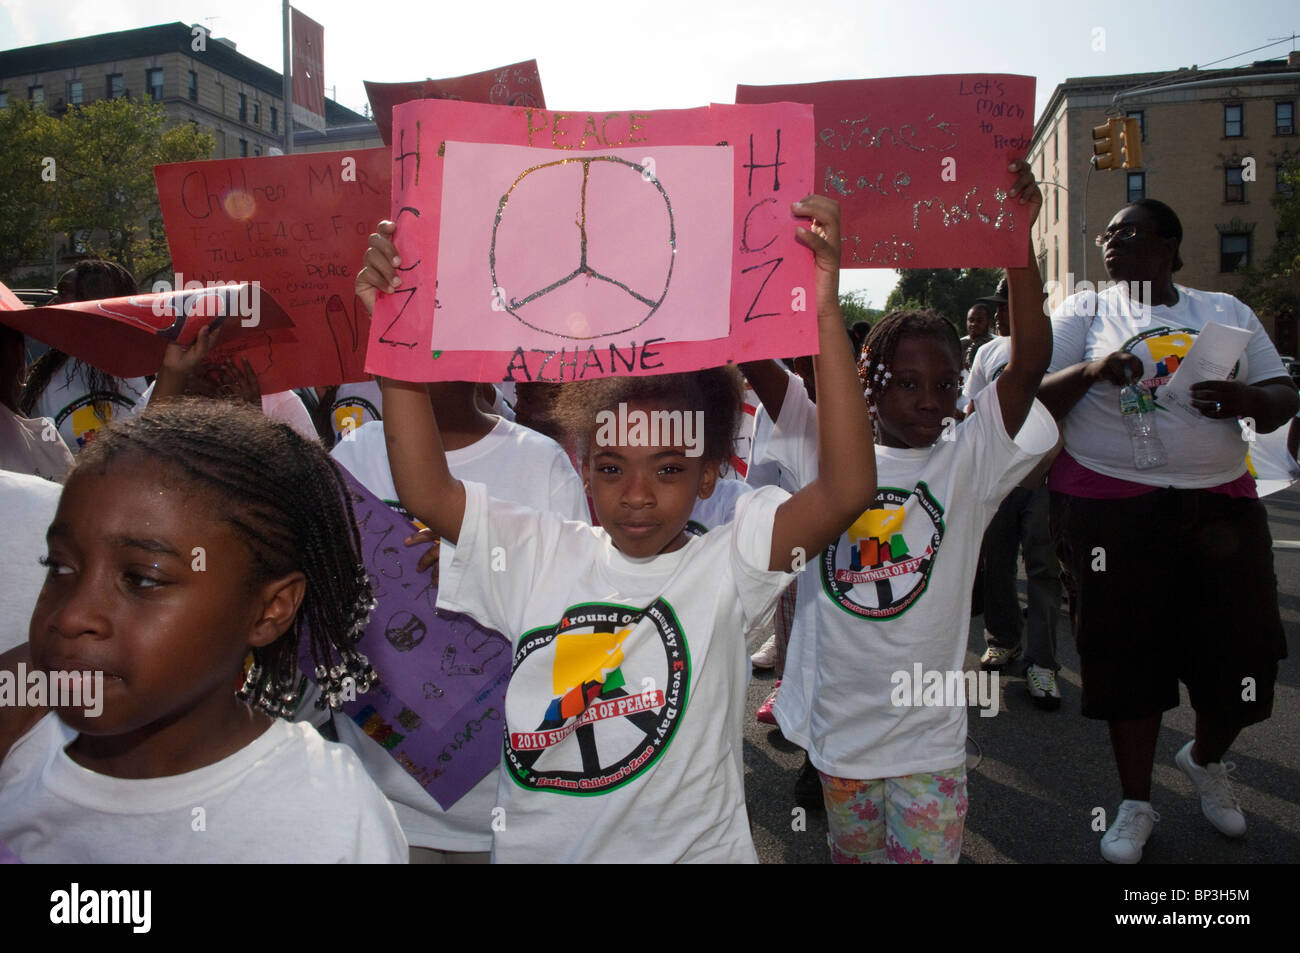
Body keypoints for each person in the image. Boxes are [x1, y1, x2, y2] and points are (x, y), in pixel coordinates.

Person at [356, 195, 876, 862]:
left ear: (710, 474)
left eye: (666, 467)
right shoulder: (539, 550)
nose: (634, 494)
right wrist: (396, 336)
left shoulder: (730, 565)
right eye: (611, 465)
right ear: (585, 469)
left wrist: (825, 315)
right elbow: (427, 490)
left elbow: (849, 489)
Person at [750, 161, 1057, 863]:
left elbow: (1030, 363)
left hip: (929, 740)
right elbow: (759, 360)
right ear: (869, 380)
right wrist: (764, 252)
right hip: (842, 736)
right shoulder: (819, 440)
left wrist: (1018, 243)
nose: (931, 398)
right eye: (910, 382)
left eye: (947, 383)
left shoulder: (970, 458)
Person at [0, 399, 407, 863]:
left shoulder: (328, 817)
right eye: (59, 567)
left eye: (142, 579)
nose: (71, 616)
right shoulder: (19, 758)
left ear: (269, 610)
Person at [1038, 197, 1296, 864]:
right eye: (1109, 233)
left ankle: (1206, 758)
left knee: (1247, 657)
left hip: (1222, 510)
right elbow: (1037, 398)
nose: (1113, 241)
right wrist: (1092, 370)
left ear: (1172, 246)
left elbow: (1280, 395)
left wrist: (1249, 401)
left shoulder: (1225, 312)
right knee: (1127, 660)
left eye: (1130, 231)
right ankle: (1135, 801)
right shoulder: (1085, 312)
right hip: (1108, 509)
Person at [321, 378, 587, 863]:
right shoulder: (354, 453)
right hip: (382, 793)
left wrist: (486, 573)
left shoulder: (539, 462)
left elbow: (576, 629)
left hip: (500, 805)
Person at [965, 277, 1064, 709]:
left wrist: (1048, 462)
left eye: (1011, 304)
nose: (1003, 313)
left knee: (1043, 568)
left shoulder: (1059, 343)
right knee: (997, 561)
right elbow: (969, 408)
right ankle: (1003, 640)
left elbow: (1067, 405)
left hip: (1044, 473)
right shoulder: (986, 352)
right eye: (999, 306)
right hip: (996, 476)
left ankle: (1042, 663)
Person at [18, 261, 149, 453]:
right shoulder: (43, 376)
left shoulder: (149, 370)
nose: (51, 304)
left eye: (63, 293)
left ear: (94, 299)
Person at [959, 302, 994, 371]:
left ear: (989, 322)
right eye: (971, 320)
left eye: (979, 320)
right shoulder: (958, 345)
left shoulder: (997, 344)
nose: (974, 324)